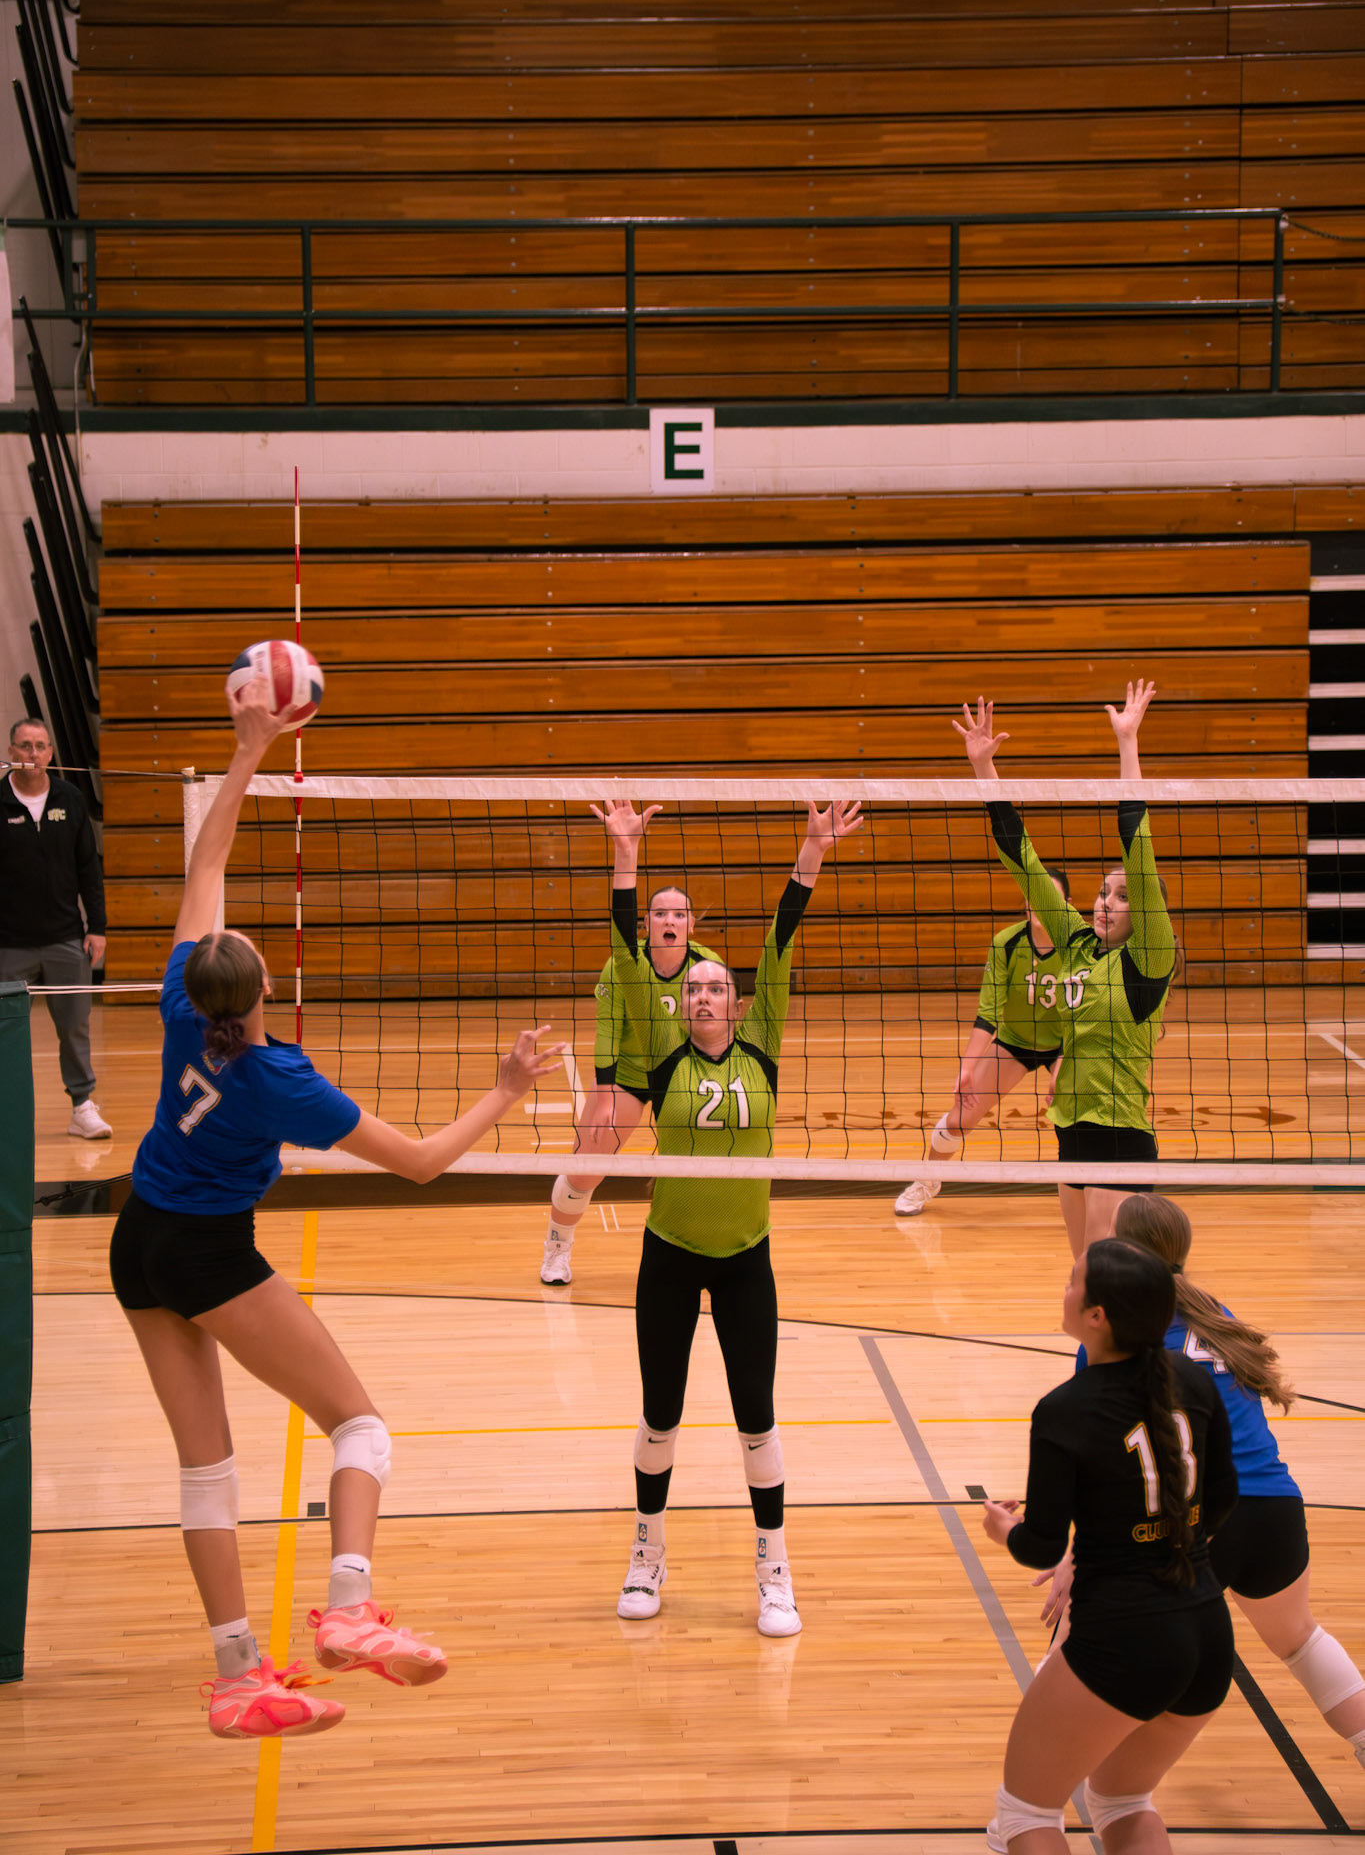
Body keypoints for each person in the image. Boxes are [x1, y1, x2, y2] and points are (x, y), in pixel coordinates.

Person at [109, 680, 564, 1739]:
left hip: (138, 1240)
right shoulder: (284, 1082)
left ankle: (237, 1677)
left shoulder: (180, 1004)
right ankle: (350, 1608)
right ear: (261, 988)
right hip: (210, 1252)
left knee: (207, 1468)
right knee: (358, 1424)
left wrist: (247, 750)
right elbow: (421, 1164)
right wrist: (505, 1090)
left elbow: (206, 865)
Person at [600, 793, 862, 1638]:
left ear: (738, 1001)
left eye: (719, 987)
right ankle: (646, 1554)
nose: (707, 995)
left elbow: (781, 941)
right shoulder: (660, 1050)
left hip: (747, 1259)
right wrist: (625, 857)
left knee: (756, 1419)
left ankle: (773, 1572)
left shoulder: (763, 1048)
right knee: (660, 1415)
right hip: (669, 1256)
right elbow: (626, 950)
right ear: (681, 1005)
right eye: (696, 990)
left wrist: (810, 852)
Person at [980, 1236, 1238, 1853]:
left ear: (1097, 1316)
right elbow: (1224, 1497)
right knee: (1122, 1802)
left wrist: (1002, 1528)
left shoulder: (1065, 1409)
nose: (1064, 1289)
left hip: (1124, 1640)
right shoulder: (1194, 1381)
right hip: (1207, 1631)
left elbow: (1041, 1548)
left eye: (1073, 1281)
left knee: (1026, 1814)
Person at [1110, 1194, 1365, 1773]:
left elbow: (1107, 1457)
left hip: (1198, 1519)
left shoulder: (1114, 1329)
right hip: (1274, 1510)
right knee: (1300, 1640)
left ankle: (1054, 1790)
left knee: (1103, 1645)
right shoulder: (1213, 1312)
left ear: (1121, 1249)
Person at [957, 680, 1179, 1256]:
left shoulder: (1149, 959)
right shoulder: (1078, 945)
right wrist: (984, 769)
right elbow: (1022, 860)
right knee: (1083, 1272)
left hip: (1119, 1134)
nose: (1106, 902)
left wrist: (1127, 743)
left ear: (1144, 913)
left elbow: (1138, 845)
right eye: (1103, 892)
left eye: (1122, 897)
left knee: (1109, 1277)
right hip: (1071, 1128)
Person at [540, 883, 721, 1285]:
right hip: (627, 1076)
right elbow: (607, 1032)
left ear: (692, 924)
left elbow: (717, 1031)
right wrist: (604, 1096)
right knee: (586, 1168)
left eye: (679, 914)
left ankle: (703, 1255)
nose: (670, 920)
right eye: (660, 913)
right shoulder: (623, 964)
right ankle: (557, 1247)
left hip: (682, 1077)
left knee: (702, 1171)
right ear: (646, 923)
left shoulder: (707, 966)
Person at [895, 870, 1069, 1218]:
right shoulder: (1007, 943)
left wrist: (1064, 1066)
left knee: (1078, 1122)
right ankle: (928, 1180)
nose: (1040, 902)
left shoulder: (1079, 946)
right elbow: (987, 1014)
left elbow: (1085, 1016)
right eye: (1034, 894)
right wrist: (968, 1068)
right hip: (1015, 1041)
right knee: (960, 1118)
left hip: (1068, 1043)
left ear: (1067, 905)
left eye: (1050, 895)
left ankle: (1093, 1189)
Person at [0, 715, 111, 1138]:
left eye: (40, 746)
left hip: (66, 938)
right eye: (25, 746)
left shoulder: (71, 799)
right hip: (9, 943)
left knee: (75, 1027)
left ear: (50, 753)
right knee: (5, 1030)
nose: (33, 754)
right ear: (11, 752)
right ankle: (7, 1111)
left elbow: (89, 870)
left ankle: (82, 1106)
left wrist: (97, 926)